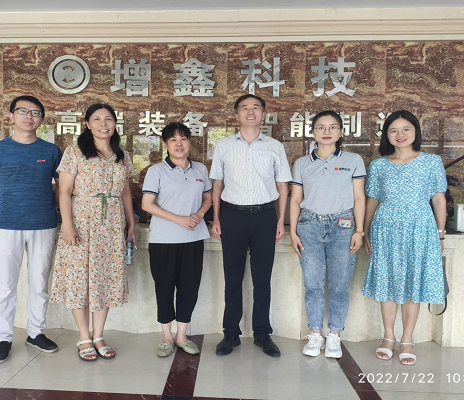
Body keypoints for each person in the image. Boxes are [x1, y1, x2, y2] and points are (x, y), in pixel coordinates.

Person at [0, 95, 62, 364]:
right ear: (11, 116)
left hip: (43, 224)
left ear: (41, 120)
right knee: (5, 285)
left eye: (35, 113)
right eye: (23, 111)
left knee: (40, 282)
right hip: (7, 226)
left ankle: (35, 333)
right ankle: (3, 338)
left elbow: (62, 187)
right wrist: (2, 211)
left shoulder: (51, 151)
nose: (29, 116)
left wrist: (52, 209)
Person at [49, 103, 135, 361]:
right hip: (81, 223)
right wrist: (67, 225)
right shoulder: (75, 151)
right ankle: (84, 337)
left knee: (105, 278)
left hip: (111, 225)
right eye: (96, 119)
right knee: (80, 279)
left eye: (108, 119)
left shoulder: (122, 154)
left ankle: (99, 335)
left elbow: (125, 192)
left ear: (115, 124)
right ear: (87, 123)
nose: (103, 124)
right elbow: (64, 191)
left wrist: (130, 222)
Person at [210, 94, 292, 358]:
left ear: (263, 114)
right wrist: (217, 218)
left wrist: (280, 220)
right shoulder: (223, 145)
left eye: (256, 107)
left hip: (264, 217)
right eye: (244, 107)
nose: (250, 111)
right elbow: (217, 184)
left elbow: (282, 186)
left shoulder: (274, 146)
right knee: (232, 278)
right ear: (237, 114)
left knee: (262, 279)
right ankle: (230, 334)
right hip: (232, 216)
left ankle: (262, 334)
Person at [362, 110, 447, 366]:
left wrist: (440, 233)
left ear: (415, 132)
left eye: (406, 129)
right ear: (386, 135)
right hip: (385, 229)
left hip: (419, 229)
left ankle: (407, 339)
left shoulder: (431, 162)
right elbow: (372, 200)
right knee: (387, 283)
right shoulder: (378, 165)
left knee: (413, 284)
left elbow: (438, 198)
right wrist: (365, 231)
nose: (400, 135)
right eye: (393, 130)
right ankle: (388, 337)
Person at [289, 111, 366, 358]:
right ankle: (315, 333)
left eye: (333, 127)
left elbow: (359, 197)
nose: (326, 131)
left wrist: (359, 230)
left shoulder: (353, 160)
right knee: (313, 284)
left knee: (339, 284)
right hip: (309, 225)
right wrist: (293, 231)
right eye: (321, 127)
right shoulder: (302, 163)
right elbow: (295, 199)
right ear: (312, 132)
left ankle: (334, 335)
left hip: (343, 226)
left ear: (340, 132)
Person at [141, 123, 212, 357]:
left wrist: (199, 215)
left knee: (189, 288)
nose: (179, 144)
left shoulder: (200, 169)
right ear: (165, 144)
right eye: (173, 140)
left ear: (190, 142)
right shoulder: (156, 171)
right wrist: (179, 219)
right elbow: (147, 204)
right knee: (164, 288)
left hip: (193, 238)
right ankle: (166, 337)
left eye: (183, 139)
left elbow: (208, 198)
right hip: (163, 241)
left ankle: (181, 336)